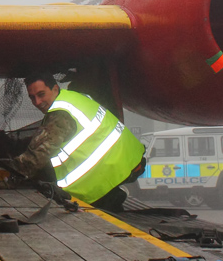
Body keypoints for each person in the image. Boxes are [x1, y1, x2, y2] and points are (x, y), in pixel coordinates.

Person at [12, 71, 145, 211]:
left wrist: (11, 178)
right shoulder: (73, 98)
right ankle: (112, 197)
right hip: (130, 157)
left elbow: (38, 155)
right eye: (32, 98)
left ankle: (109, 199)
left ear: (55, 89)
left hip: (112, 168)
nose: (37, 102)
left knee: (96, 208)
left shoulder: (60, 114)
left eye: (41, 94)